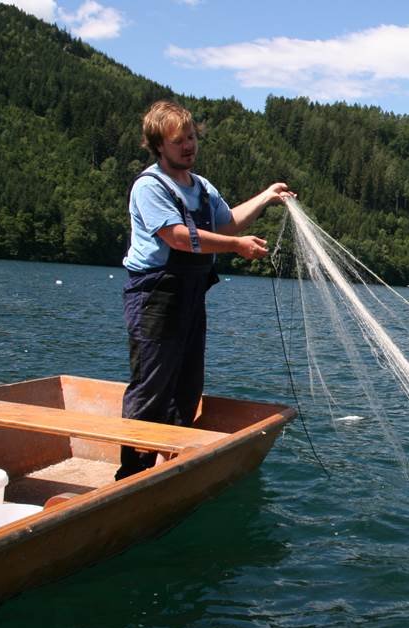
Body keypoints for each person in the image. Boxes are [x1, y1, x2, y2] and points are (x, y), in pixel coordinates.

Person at [117, 99, 294, 479]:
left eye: (192, 137)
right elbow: (178, 237)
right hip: (154, 296)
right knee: (151, 386)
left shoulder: (201, 186)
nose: (189, 145)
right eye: (179, 140)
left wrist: (266, 196)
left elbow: (227, 224)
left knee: (187, 386)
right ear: (158, 145)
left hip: (191, 295)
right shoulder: (150, 186)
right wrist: (235, 246)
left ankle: (173, 467)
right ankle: (131, 475)